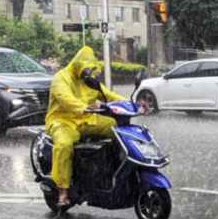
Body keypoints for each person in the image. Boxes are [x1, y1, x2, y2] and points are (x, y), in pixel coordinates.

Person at [46, 46, 148, 207]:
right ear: (77, 64)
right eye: (85, 68)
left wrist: (133, 106)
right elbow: (64, 98)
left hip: (87, 120)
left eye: (90, 69)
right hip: (63, 122)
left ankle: (120, 164)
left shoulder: (90, 82)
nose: (87, 72)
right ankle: (63, 191)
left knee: (117, 128)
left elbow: (109, 95)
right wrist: (83, 107)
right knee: (64, 145)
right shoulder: (61, 78)